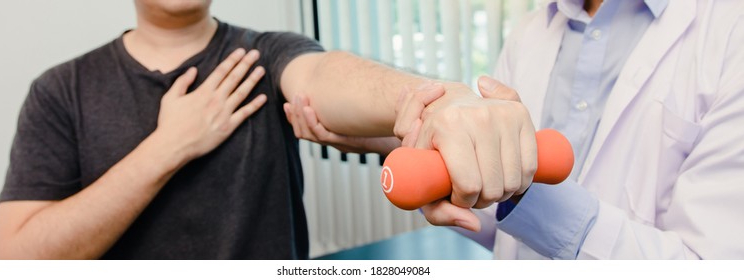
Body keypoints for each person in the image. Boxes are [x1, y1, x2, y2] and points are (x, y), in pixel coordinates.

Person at [0, 0, 538, 259]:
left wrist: (440, 101)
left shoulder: (267, 54)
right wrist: (166, 149)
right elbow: (17, 260)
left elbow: (326, 77)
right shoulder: (60, 90)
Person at [287, 0, 744, 259]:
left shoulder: (728, 34)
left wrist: (531, 195)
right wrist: (434, 157)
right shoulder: (531, 33)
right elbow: (501, 224)